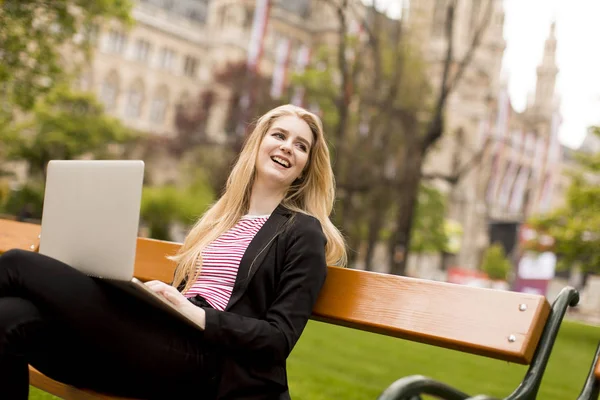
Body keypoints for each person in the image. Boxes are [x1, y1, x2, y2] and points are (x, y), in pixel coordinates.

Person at [0, 104, 347, 400]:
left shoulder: (302, 232)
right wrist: (166, 299)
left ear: (305, 167)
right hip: (164, 339)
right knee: (11, 315)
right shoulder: (220, 221)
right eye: (280, 135)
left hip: (212, 364)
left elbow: (277, 338)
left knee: (17, 263)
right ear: (258, 144)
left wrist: (191, 313)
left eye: (301, 146)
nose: (288, 147)